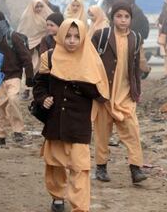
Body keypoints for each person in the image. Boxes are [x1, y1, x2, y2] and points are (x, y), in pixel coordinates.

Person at [33, 18, 109, 212]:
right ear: (60, 35)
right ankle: (57, 197)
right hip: (55, 120)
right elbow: (39, 84)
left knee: (80, 167)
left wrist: (78, 78)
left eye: (77, 36)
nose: (72, 40)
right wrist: (43, 99)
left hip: (79, 123)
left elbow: (100, 94)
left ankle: (80, 207)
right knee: (54, 163)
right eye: (68, 36)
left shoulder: (91, 60)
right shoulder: (48, 57)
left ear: (83, 38)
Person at [91, 1, 147, 185]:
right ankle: (101, 167)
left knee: (132, 130)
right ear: (112, 17)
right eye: (119, 16)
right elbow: (89, 61)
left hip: (125, 94)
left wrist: (136, 91)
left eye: (126, 17)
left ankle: (136, 168)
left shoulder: (136, 38)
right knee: (102, 132)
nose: (123, 20)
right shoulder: (101, 36)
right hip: (104, 95)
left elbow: (136, 66)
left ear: (131, 19)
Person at [0, 9, 34, 146]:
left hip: (14, 76)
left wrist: (29, 77)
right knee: (0, 106)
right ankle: (0, 135)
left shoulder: (13, 37)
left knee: (13, 100)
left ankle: (18, 131)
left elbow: (26, 57)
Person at [17, 0, 52, 100]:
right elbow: (23, 32)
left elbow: (51, 29)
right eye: (37, 6)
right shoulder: (27, 16)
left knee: (42, 68)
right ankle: (27, 89)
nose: (39, 9)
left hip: (43, 46)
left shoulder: (47, 15)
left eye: (41, 6)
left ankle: (40, 90)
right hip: (30, 47)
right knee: (30, 68)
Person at [125, 0, 151, 79]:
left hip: (136, 38)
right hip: (130, 38)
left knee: (140, 58)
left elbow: (134, 25)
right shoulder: (129, 10)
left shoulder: (137, 11)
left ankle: (146, 70)